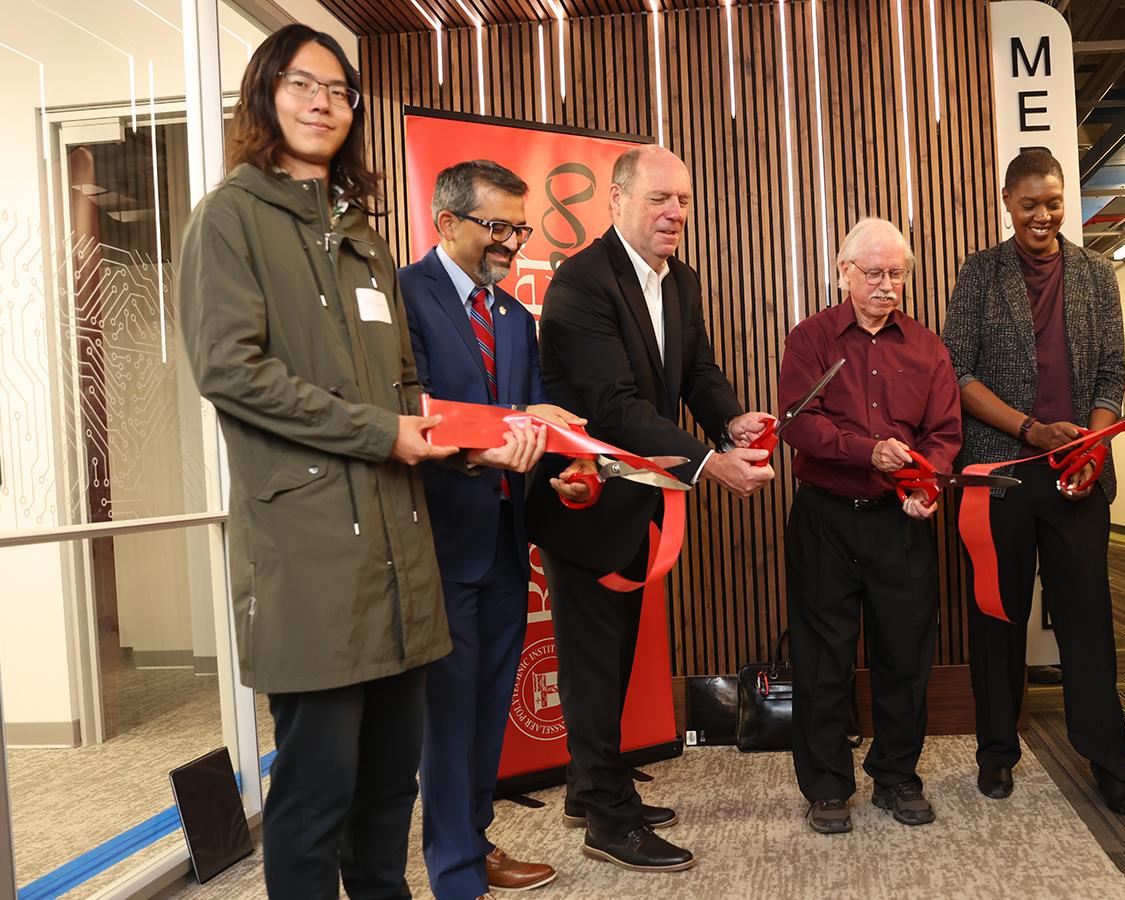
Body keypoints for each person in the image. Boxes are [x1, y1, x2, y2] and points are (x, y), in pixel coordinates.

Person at [176, 25, 538, 898]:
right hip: (309, 556)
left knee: (387, 795)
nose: (322, 102)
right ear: (265, 95)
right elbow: (231, 371)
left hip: (401, 552)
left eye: (339, 91)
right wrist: (385, 433)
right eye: (303, 84)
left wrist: (478, 442)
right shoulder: (228, 220)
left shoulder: (364, 237)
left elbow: (407, 391)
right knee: (315, 799)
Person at [527, 145, 775, 871]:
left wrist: (731, 421)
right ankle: (608, 819)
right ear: (617, 198)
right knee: (593, 661)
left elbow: (697, 370)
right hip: (585, 500)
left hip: (641, 501)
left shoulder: (681, 280)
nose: (675, 214)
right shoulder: (579, 283)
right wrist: (709, 463)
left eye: (685, 201)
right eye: (660, 199)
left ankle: (586, 784)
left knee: (613, 656)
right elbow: (613, 406)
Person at [402, 160, 595, 898]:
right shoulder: (404, 296)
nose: (513, 242)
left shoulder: (515, 316)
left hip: (507, 546)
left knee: (486, 713)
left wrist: (571, 466)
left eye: (520, 227)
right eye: (499, 227)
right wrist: (515, 428)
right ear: (445, 223)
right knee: (446, 718)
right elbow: (417, 410)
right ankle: (455, 875)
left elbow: (538, 415)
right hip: (439, 543)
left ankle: (473, 843)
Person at [941, 149, 1125, 817]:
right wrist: (1030, 431)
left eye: (1054, 201)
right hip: (1000, 476)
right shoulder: (979, 273)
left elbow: (1112, 374)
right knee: (998, 619)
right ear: (1007, 202)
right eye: (1029, 202)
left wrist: (1092, 444)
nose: (1043, 214)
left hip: (1077, 476)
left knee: (1087, 623)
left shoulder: (1097, 274)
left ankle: (1109, 761)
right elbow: (958, 376)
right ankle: (997, 753)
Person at [781, 217, 961, 835]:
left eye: (898, 274)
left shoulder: (928, 347)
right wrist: (868, 451)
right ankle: (827, 786)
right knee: (823, 655)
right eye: (875, 273)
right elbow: (798, 425)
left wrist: (925, 482)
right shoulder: (810, 340)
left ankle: (897, 776)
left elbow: (944, 435)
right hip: (826, 517)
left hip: (900, 520)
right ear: (844, 273)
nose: (888, 285)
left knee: (904, 654)